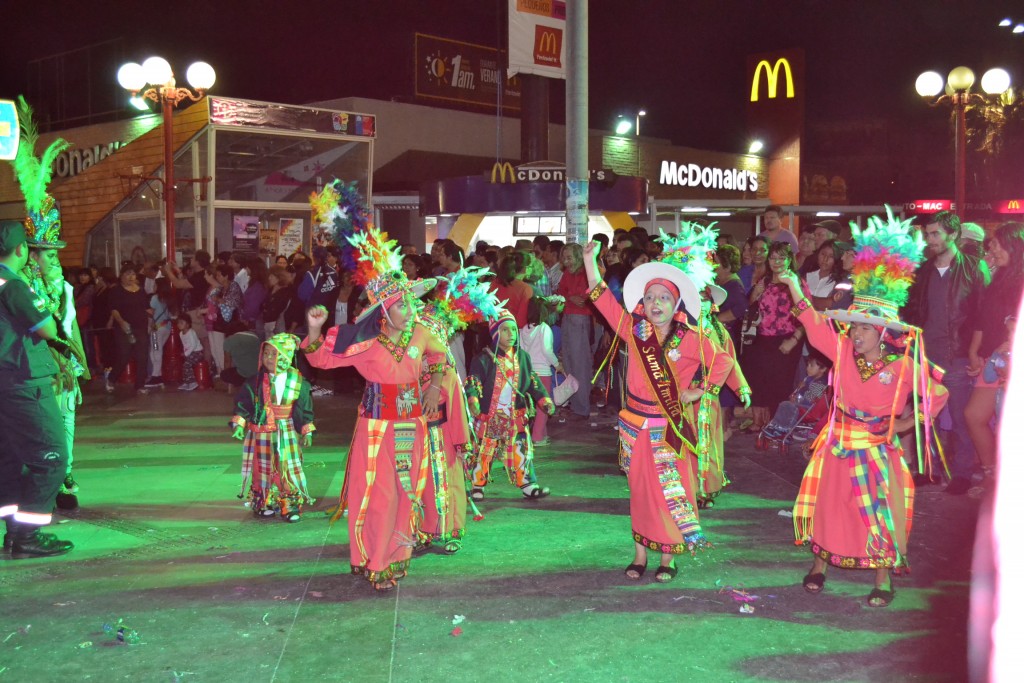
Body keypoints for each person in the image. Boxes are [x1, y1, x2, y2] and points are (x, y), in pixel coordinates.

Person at [779, 207, 948, 608]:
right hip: (839, 442)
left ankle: (883, 577)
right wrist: (792, 285)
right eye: (854, 326)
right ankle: (819, 566)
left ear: (883, 333)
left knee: (879, 511)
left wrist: (905, 422)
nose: (855, 333)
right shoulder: (841, 351)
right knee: (829, 505)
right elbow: (816, 324)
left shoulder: (904, 365)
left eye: (864, 328)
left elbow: (939, 395)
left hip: (878, 448)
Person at [301, 191, 449, 591]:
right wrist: (315, 330)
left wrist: (434, 387)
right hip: (378, 431)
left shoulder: (421, 333)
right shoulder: (366, 343)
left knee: (407, 492)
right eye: (402, 306)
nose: (411, 311)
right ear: (384, 313)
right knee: (380, 496)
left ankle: (399, 554)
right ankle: (374, 559)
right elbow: (321, 360)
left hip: (413, 426)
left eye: (412, 304)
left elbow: (440, 359)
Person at [583, 238, 730, 583]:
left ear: (676, 303)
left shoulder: (691, 338)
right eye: (649, 298)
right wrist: (591, 261)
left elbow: (722, 361)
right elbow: (601, 299)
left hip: (668, 428)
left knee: (670, 491)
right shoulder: (634, 333)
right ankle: (639, 553)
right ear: (642, 304)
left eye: (663, 297)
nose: (655, 303)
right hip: (635, 425)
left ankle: (668, 556)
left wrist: (699, 392)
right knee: (640, 492)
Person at [0, 201, 73, 556]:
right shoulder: (12, 285)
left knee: (10, 459)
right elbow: (47, 328)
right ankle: (27, 536)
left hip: (3, 383)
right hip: (22, 381)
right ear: (21, 249)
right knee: (52, 457)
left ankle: (14, 534)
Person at [903, 211, 989, 494]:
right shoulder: (923, 270)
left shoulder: (974, 268)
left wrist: (975, 353)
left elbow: (981, 316)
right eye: (927, 234)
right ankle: (930, 470)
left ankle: (962, 474)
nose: (930, 240)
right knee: (927, 418)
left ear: (953, 235)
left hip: (957, 356)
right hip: (924, 355)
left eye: (935, 234)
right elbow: (914, 312)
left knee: (961, 417)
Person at [466, 309, 555, 501]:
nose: (511, 334)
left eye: (514, 330)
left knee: (521, 450)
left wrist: (544, 399)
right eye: (506, 330)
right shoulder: (483, 359)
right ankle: (477, 486)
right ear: (495, 334)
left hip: (515, 415)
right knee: (484, 451)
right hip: (490, 415)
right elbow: (473, 381)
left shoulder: (523, 358)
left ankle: (528, 485)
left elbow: (532, 381)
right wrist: (473, 400)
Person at [965, 223, 1024, 495]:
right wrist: (974, 351)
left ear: (1014, 246)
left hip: (1013, 361)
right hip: (990, 359)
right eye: (991, 244)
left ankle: (1006, 482)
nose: (991, 248)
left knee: (1007, 424)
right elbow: (982, 318)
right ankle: (992, 474)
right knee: (974, 415)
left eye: (997, 244)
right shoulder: (996, 277)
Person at [230, 333, 315, 522]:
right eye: (266, 353)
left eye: (274, 354)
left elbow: (304, 407)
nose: (268, 358)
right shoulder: (255, 381)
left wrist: (306, 430)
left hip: (287, 429)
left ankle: (289, 503)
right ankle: (263, 501)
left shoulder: (298, 382)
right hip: (262, 432)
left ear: (286, 357)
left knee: (287, 466)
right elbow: (244, 403)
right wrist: (239, 424)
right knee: (262, 467)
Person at [744, 242, 806, 432]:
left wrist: (793, 340)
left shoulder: (796, 283)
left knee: (780, 385)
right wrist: (755, 293)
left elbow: (806, 315)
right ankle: (761, 424)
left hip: (788, 338)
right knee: (760, 382)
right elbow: (751, 306)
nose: (776, 262)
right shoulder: (765, 280)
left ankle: (778, 427)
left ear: (789, 260)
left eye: (781, 258)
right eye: (773, 257)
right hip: (763, 338)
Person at [556, 243, 594, 421]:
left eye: (570, 257)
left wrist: (569, 297)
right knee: (569, 362)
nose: (566, 261)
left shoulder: (585, 274)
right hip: (568, 317)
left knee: (580, 364)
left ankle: (582, 407)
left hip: (579, 319)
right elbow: (562, 293)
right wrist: (569, 297)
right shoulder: (568, 273)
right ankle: (573, 403)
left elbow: (582, 298)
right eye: (564, 257)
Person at [761, 348, 832, 441]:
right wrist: (796, 394)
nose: (807, 368)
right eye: (808, 365)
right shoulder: (809, 379)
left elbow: (809, 399)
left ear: (822, 369)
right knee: (785, 404)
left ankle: (782, 429)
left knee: (786, 405)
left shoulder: (822, 383)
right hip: (804, 407)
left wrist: (802, 390)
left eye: (811, 366)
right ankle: (776, 427)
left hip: (810, 410)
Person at [520, 297, 561, 446]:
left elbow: (522, 351)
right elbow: (547, 350)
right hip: (543, 372)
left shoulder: (524, 329)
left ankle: (542, 434)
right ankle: (537, 437)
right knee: (545, 405)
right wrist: (557, 364)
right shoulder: (544, 328)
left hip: (530, 372)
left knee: (535, 405)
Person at [107, 264, 153, 394]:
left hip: (141, 327)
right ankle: (111, 378)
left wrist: (153, 316)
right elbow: (114, 310)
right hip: (124, 328)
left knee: (142, 356)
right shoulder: (116, 291)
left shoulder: (141, 290)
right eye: (127, 274)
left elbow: (146, 307)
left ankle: (140, 385)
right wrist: (121, 322)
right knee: (124, 355)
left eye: (133, 274)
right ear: (121, 276)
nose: (131, 277)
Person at [207, 265, 244, 377]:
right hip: (219, 320)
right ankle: (220, 369)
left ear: (226, 276)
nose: (217, 277)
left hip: (231, 320)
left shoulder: (233, 286)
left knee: (226, 346)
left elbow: (233, 302)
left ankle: (226, 370)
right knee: (217, 345)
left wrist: (218, 300)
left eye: (219, 275)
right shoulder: (220, 288)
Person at [145, 278, 175, 388]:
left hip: (156, 329)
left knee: (155, 351)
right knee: (157, 350)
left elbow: (151, 312)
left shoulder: (155, 298)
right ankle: (158, 375)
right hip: (166, 327)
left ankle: (156, 376)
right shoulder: (169, 299)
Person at [805, 240, 839, 311]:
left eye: (831, 256)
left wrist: (804, 298)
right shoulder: (807, 276)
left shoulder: (837, 282)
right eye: (823, 254)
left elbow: (829, 305)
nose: (825, 259)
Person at [177, 316, 204, 391]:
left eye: (181, 323)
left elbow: (193, 345)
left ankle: (192, 382)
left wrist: (186, 354)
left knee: (187, 364)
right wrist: (185, 353)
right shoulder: (181, 334)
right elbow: (185, 345)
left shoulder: (191, 332)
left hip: (197, 352)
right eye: (178, 323)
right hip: (190, 352)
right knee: (183, 364)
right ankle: (187, 382)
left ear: (188, 325)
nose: (179, 324)